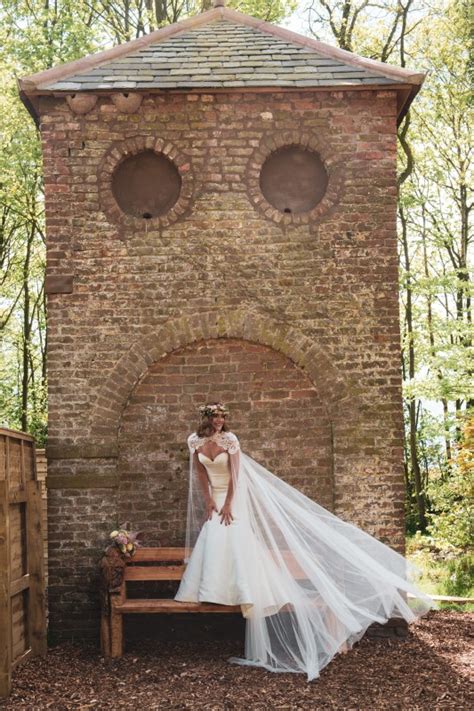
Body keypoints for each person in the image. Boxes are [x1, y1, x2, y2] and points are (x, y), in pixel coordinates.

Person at [174, 402, 436, 681]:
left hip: (234, 498)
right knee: (213, 535)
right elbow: (200, 472)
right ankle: (213, 590)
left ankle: (243, 591)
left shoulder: (231, 440)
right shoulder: (195, 441)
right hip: (216, 495)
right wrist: (210, 499)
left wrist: (228, 503)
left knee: (232, 534)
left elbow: (237, 475)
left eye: (223, 417)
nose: (219, 421)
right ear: (206, 418)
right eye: (215, 416)